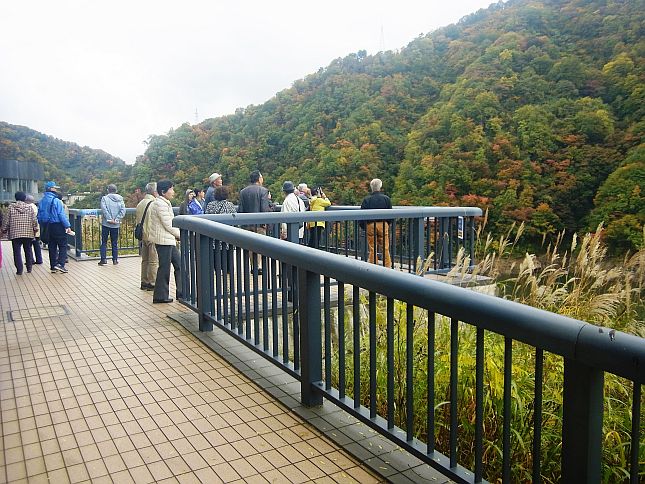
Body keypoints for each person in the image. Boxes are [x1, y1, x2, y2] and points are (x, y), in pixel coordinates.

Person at [149, 180, 181, 304]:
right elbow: (169, 224)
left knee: (179, 265)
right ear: (163, 191)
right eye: (171, 189)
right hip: (164, 241)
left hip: (167, 240)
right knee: (165, 267)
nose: (173, 192)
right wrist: (180, 235)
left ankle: (181, 293)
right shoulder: (160, 204)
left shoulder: (162, 202)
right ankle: (160, 296)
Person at [238, 170, 272, 273]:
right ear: (259, 178)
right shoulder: (263, 191)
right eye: (261, 177)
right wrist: (265, 223)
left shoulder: (243, 191)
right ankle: (258, 267)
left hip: (246, 223)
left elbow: (240, 209)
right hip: (259, 224)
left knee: (249, 246)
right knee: (260, 245)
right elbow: (264, 208)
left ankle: (253, 266)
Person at [38, 181, 74, 273]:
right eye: (54, 188)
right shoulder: (56, 201)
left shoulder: (42, 201)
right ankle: (61, 264)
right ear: (51, 189)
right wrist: (67, 226)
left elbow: (39, 216)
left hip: (47, 226)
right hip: (57, 225)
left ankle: (53, 266)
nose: (56, 189)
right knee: (62, 245)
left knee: (52, 246)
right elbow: (61, 215)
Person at [0, 191, 38, 275]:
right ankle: (29, 268)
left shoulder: (10, 207)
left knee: (17, 252)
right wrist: (35, 229)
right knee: (28, 250)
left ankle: (19, 270)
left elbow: (6, 220)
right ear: (24, 198)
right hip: (28, 233)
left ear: (15, 198)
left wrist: (3, 230)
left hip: (15, 233)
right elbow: (34, 220)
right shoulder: (29, 207)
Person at [360, 178, 393, 267]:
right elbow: (391, 214)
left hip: (370, 224)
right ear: (380, 187)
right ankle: (387, 267)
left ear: (371, 187)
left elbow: (361, 215)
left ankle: (373, 268)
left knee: (372, 248)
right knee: (385, 247)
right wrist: (387, 224)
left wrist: (364, 226)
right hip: (383, 224)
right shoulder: (386, 199)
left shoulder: (367, 199)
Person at [136, 182, 158, 291]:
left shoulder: (141, 203)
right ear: (154, 191)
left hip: (143, 235)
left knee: (145, 260)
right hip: (152, 234)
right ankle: (152, 282)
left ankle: (144, 281)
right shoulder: (154, 203)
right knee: (153, 260)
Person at [98, 184, 126, 265]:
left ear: (108, 190)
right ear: (116, 190)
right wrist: (116, 219)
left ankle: (103, 259)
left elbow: (104, 209)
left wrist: (109, 219)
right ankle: (115, 260)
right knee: (114, 242)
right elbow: (123, 210)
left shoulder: (104, 198)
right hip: (116, 224)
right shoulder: (120, 199)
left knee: (104, 242)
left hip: (106, 223)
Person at [25, 194, 43, 264]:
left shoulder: (28, 207)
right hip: (37, 227)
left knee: (29, 245)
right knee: (36, 245)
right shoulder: (35, 206)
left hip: (31, 228)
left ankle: (31, 260)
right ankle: (39, 259)